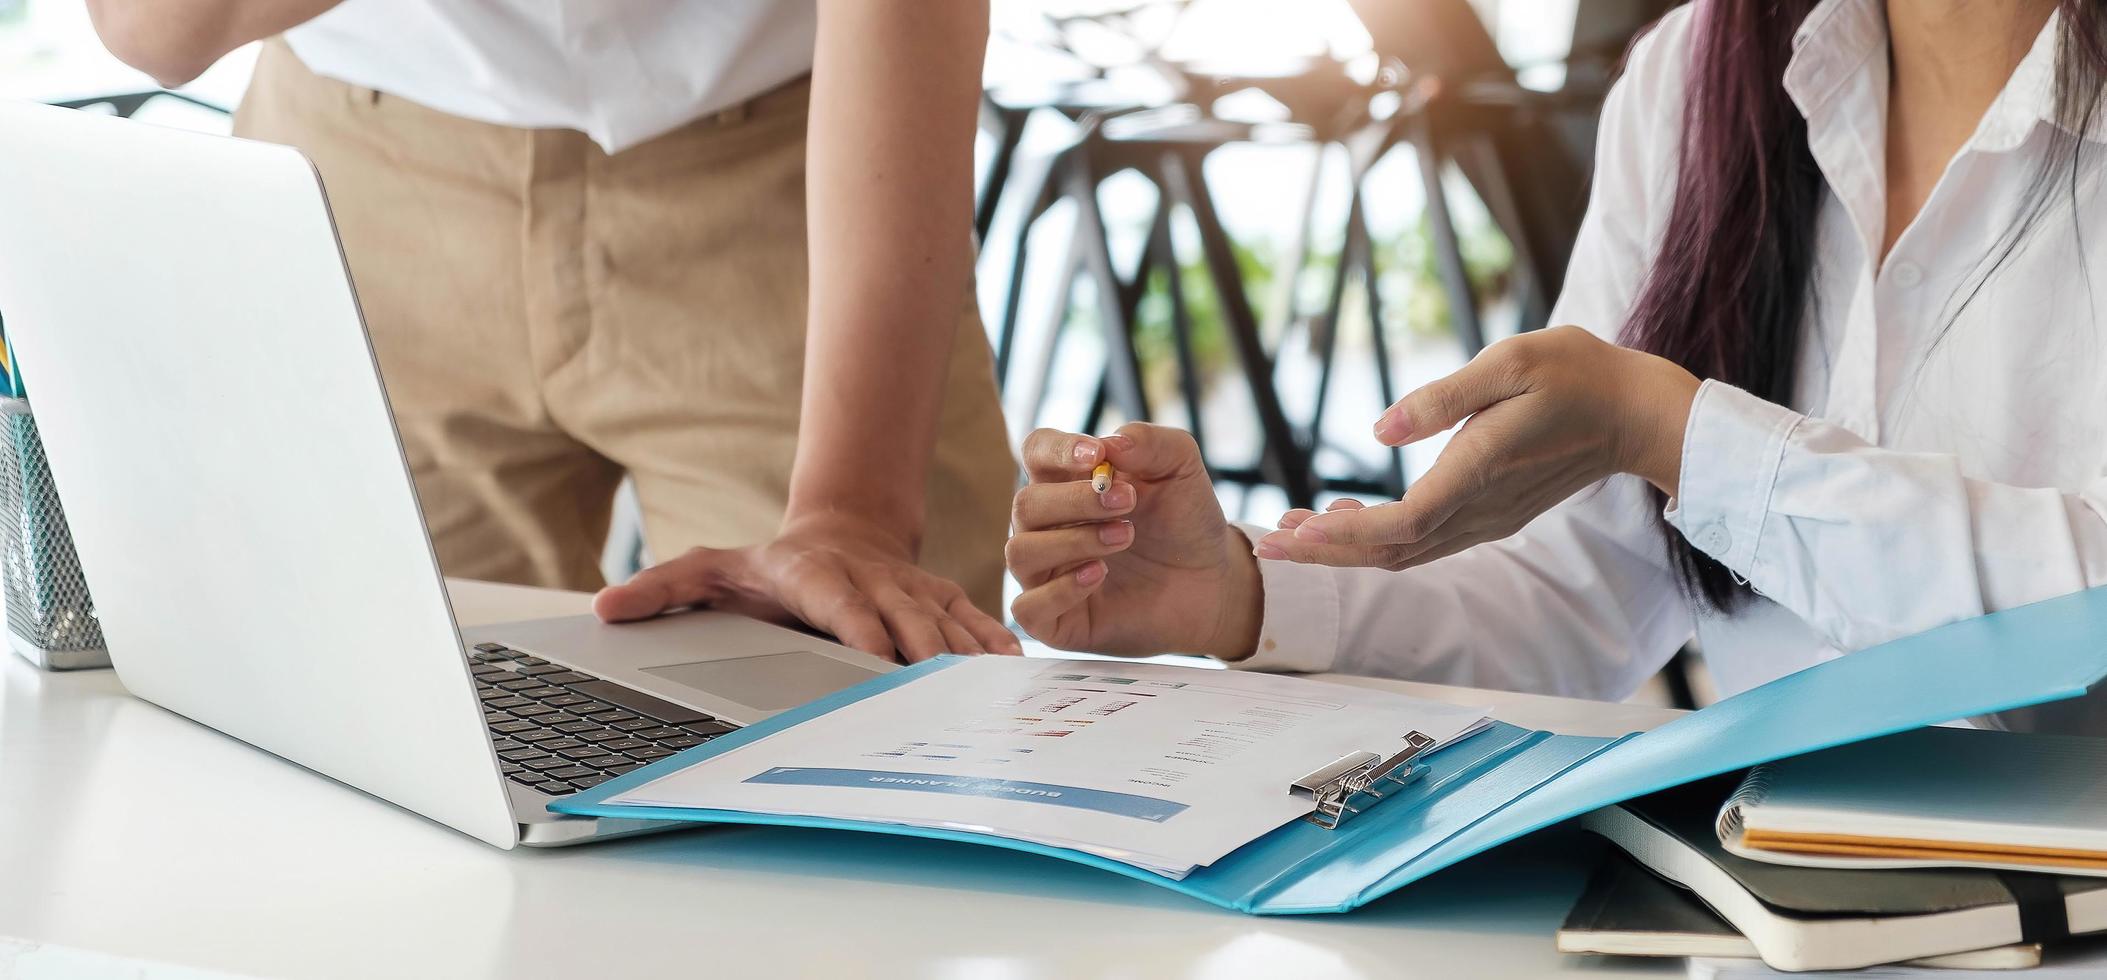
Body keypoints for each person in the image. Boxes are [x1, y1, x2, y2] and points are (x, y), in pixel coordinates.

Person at [1006, 0, 2107, 731]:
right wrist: (1240, 596)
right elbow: (1570, 597)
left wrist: (1677, 434)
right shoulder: (1692, 78)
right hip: (1774, 913)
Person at [87, 0, 1020, 662]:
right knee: (354, 777)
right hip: (366, 184)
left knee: (873, 742)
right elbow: (153, 26)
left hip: (801, 176)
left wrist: (851, 515)